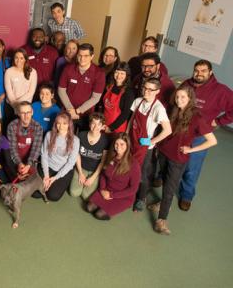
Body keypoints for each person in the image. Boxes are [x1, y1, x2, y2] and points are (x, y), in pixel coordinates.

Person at [149, 84, 217, 234]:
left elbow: (212, 141)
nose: (179, 100)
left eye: (183, 97)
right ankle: (162, 204)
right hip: (163, 152)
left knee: (169, 189)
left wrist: (191, 149)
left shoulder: (197, 118)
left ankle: (162, 220)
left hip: (178, 158)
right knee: (166, 181)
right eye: (177, 96)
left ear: (190, 98)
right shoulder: (173, 110)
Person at [177, 59, 233, 211]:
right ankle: (165, 181)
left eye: (203, 71)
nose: (199, 73)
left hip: (199, 136)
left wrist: (219, 121)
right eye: (196, 70)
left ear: (210, 73)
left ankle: (187, 195)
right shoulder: (186, 84)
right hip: (180, 131)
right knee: (174, 160)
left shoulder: (221, 91)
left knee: (192, 168)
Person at [130, 78, 172, 212]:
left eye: (150, 89)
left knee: (144, 175)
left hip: (145, 148)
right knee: (130, 168)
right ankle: (129, 193)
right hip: (132, 142)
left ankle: (141, 198)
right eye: (145, 87)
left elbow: (168, 130)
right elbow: (132, 120)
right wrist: (126, 136)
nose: (146, 91)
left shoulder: (158, 108)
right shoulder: (138, 101)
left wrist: (151, 141)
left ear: (157, 91)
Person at [86, 133, 141, 220]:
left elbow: (133, 189)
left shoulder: (134, 165)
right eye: (116, 144)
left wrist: (112, 195)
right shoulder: (111, 156)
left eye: (122, 144)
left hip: (122, 196)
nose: (118, 146)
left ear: (127, 145)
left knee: (99, 214)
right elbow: (103, 175)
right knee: (89, 207)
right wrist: (102, 189)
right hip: (107, 189)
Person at [58, 43, 105, 130]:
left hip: (86, 114)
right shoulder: (68, 69)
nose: (82, 58)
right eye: (80, 55)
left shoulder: (99, 73)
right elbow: (61, 90)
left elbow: (95, 98)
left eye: (86, 56)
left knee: (82, 140)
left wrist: (77, 111)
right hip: (67, 112)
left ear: (92, 56)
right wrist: (70, 110)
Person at [34, 112, 79, 201]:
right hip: (48, 166)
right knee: (36, 193)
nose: (61, 126)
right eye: (58, 123)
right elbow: (44, 155)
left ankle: (59, 184)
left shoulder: (75, 140)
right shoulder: (49, 135)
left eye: (64, 123)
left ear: (69, 124)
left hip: (62, 170)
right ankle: (46, 184)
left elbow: (70, 163)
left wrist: (55, 178)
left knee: (53, 196)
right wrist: (46, 176)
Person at [69, 113, 109, 199]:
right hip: (81, 167)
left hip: (94, 171)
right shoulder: (81, 135)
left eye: (99, 124)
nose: (95, 127)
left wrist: (93, 177)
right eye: (93, 123)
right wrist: (80, 173)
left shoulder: (105, 140)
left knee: (86, 196)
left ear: (102, 126)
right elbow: (77, 154)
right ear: (90, 124)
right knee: (74, 193)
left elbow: (102, 162)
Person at [7, 101, 43, 181]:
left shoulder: (38, 127)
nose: (26, 116)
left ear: (32, 112)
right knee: (15, 183)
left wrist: (28, 164)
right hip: (15, 160)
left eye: (28, 112)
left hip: (31, 161)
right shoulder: (12, 126)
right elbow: (12, 148)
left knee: (32, 184)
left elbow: (36, 149)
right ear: (18, 113)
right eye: (23, 113)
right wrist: (19, 163)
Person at [4, 49, 38, 124]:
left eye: (21, 58)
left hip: (26, 108)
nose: (18, 60)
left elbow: (31, 92)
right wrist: (15, 107)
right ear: (13, 59)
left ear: (25, 59)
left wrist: (20, 106)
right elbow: (9, 92)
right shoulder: (9, 71)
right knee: (10, 129)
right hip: (11, 106)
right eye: (16, 57)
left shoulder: (32, 72)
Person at [100, 62, 135, 134]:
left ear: (127, 75)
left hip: (117, 128)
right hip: (103, 124)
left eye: (122, 73)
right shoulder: (109, 86)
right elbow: (102, 106)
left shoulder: (128, 92)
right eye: (117, 72)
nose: (119, 76)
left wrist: (111, 128)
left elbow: (125, 114)